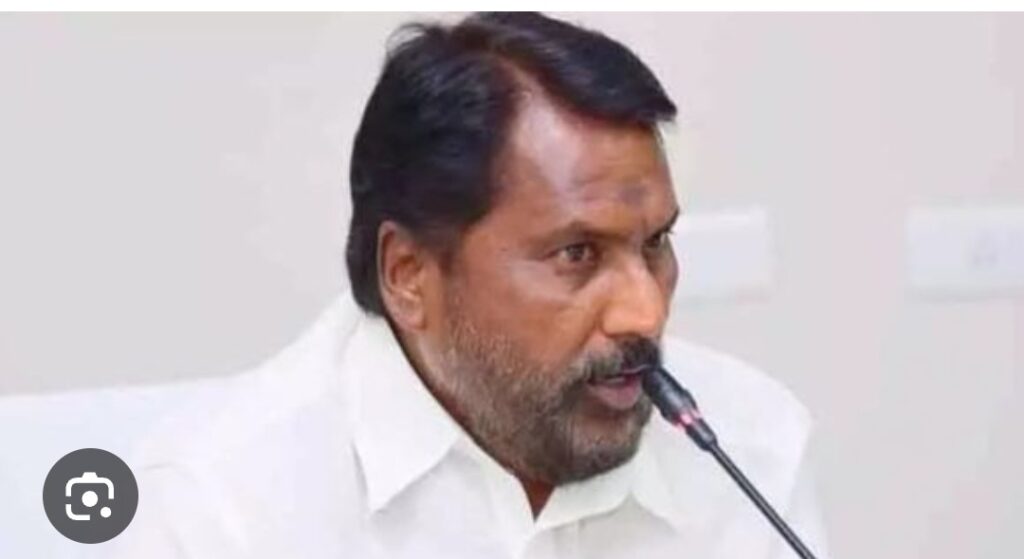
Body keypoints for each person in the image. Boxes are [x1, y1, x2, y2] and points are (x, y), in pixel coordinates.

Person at [114, 12, 828, 559]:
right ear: (408, 275)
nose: (645, 312)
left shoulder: (754, 444)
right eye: (577, 254)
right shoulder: (217, 512)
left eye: (655, 244)